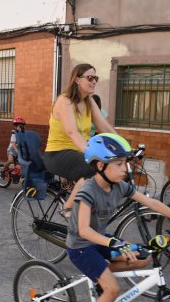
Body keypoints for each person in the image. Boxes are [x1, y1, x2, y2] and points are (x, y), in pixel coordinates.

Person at [66, 133, 170, 302]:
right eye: (119, 163)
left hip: (101, 240)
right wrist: (112, 242)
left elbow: (151, 202)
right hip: (80, 246)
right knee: (113, 289)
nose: (125, 168)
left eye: (125, 162)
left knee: (143, 258)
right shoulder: (88, 191)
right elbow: (83, 230)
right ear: (101, 165)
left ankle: (99, 274)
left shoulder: (120, 186)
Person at [44, 64, 116, 219]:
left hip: (77, 151)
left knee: (110, 171)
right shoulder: (65, 101)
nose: (94, 81)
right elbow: (72, 133)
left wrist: (124, 146)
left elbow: (104, 126)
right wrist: (92, 154)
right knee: (94, 169)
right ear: (77, 79)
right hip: (57, 153)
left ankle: (86, 208)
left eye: (95, 78)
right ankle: (67, 207)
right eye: (90, 78)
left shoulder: (89, 101)